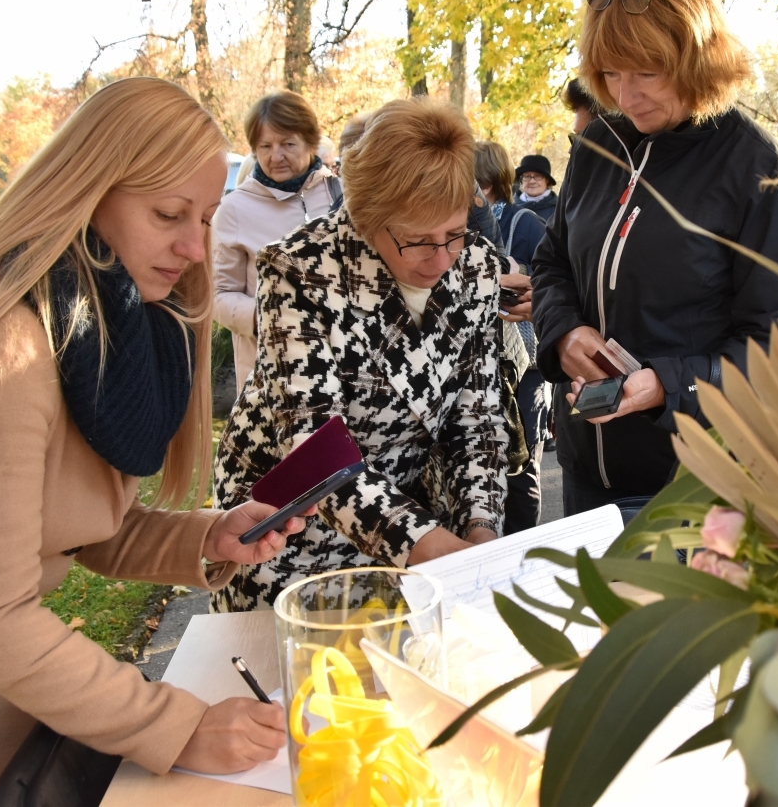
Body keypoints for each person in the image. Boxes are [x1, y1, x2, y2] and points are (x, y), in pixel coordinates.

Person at [0, 77, 309, 806]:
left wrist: (208, 537)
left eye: (208, 217)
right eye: (168, 214)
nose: (194, 247)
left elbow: (70, 530)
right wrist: (176, 724)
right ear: (88, 191)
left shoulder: (101, 328)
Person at [531, 0, 778, 522]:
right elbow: (552, 262)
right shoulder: (598, 144)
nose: (625, 94)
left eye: (645, 72)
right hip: (587, 475)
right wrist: (563, 333)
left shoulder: (758, 168)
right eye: (610, 74)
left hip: (698, 487)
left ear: (694, 57)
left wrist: (668, 384)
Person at [212, 98, 507, 610]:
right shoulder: (300, 269)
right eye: (417, 240)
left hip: (412, 520)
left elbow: (476, 414)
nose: (441, 259)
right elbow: (311, 447)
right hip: (286, 529)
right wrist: (433, 547)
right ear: (367, 218)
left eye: (454, 234)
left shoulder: (476, 266)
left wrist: (481, 526)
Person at [212, 91, 343, 390]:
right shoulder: (234, 209)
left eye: (288, 144)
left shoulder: (340, 195)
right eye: (265, 146)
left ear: (311, 143)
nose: (276, 156)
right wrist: (268, 316)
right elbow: (218, 295)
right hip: (271, 376)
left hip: (343, 369)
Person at [477, 141, 548, 532]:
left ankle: (524, 554)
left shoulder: (526, 223)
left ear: (484, 184)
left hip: (523, 362)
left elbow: (552, 285)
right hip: (481, 364)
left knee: (522, 469)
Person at [514, 154, 559, 223]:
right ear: (521, 180)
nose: (532, 181)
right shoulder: (510, 207)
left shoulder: (560, 209)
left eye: (538, 176)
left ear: (547, 180)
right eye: (527, 176)